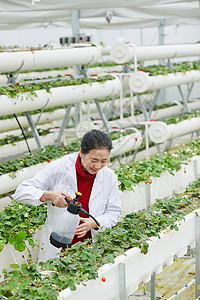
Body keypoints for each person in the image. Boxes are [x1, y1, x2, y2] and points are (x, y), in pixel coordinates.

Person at [14, 129, 122, 262]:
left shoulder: (109, 177)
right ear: (81, 152)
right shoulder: (58, 168)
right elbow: (21, 192)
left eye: (104, 161)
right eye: (94, 160)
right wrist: (48, 195)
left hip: (91, 247)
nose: (98, 166)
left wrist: (95, 222)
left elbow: (114, 212)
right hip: (58, 247)